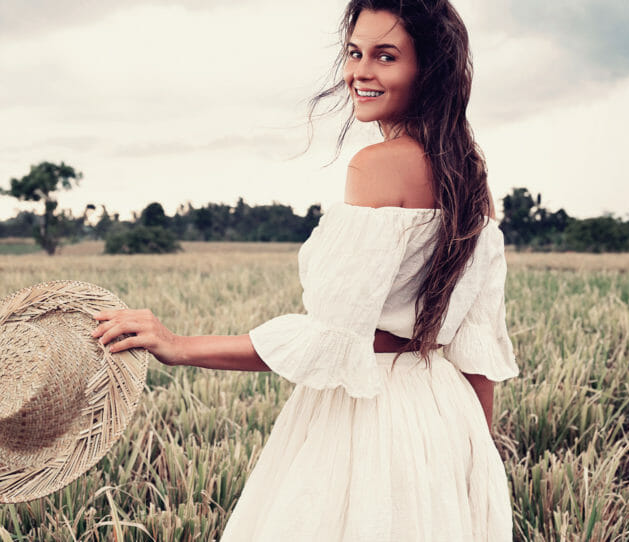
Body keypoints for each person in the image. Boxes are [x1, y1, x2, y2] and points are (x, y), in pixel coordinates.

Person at [91, 0, 519, 539]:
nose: (360, 72)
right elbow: (477, 353)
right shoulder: (470, 176)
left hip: (370, 420)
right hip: (444, 415)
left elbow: (330, 341)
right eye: (354, 53)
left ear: (428, 69)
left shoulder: (377, 166)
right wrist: (477, 460)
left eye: (386, 57)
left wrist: (178, 346)